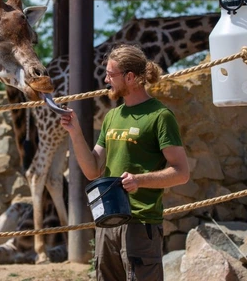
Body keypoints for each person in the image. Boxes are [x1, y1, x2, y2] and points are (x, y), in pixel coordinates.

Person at [60, 43, 190, 281]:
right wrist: (75, 132)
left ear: (130, 77)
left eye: (111, 74)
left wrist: (139, 180)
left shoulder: (160, 116)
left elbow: (181, 172)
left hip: (141, 224)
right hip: (107, 222)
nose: (106, 80)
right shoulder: (112, 116)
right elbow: (92, 170)